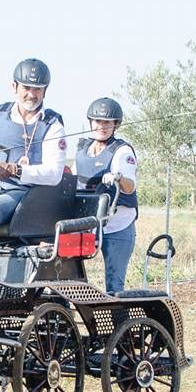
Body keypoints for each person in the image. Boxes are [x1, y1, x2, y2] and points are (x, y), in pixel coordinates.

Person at [0, 58, 67, 225]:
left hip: (25, 195)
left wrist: (14, 169)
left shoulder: (53, 124)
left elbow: (54, 174)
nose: (31, 94)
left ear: (45, 90)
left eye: (37, 89)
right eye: (26, 87)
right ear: (14, 87)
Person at [75, 97, 138, 293]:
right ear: (91, 122)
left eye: (107, 123)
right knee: (71, 276)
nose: (101, 126)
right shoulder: (81, 148)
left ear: (115, 125)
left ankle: (118, 321)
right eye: (98, 121)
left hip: (117, 225)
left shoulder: (121, 151)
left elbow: (130, 187)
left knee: (114, 284)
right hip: (88, 223)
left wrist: (118, 177)